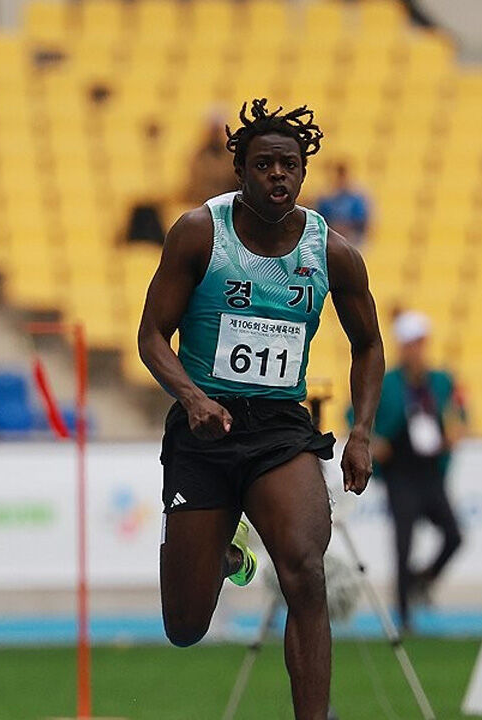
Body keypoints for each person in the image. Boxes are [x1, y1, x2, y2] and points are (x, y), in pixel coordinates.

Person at [137, 99, 384, 720]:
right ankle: (227, 549)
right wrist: (192, 398)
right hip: (204, 427)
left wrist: (361, 432)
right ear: (240, 169)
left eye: (291, 166)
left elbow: (370, 346)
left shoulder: (333, 252)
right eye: (265, 164)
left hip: (279, 430)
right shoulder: (199, 232)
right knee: (186, 625)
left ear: (304, 174)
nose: (279, 175)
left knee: (306, 572)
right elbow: (150, 336)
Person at [372, 309, 465, 632]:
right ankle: (404, 615)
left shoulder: (440, 380)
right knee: (403, 542)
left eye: (420, 343)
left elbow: (458, 411)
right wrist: (373, 439)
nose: (417, 350)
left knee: (454, 535)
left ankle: (421, 579)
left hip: (430, 470)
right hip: (400, 470)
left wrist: (458, 429)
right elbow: (355, 413)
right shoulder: (387, 383)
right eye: (411, 343)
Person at [316, 162, 370, 246]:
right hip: (330, 240)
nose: (339, 179)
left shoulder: (356, 198)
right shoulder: (325, 199)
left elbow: (362, 221)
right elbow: (320, 221)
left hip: (352, 240)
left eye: (341, 175)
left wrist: (346, 227)